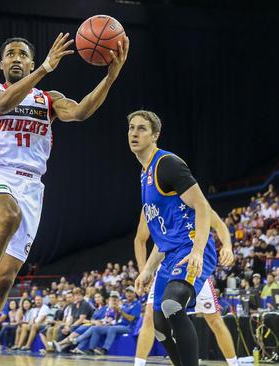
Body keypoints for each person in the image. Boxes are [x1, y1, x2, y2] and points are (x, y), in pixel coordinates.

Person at [0, 31, 129, 366]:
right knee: (8, 216)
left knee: (6, 279)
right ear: (2, 64)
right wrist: (46, 66)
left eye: (22, 55)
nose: (16, 58)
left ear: (29, 62)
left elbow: (80, 113)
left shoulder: (48, 99)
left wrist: (110, 77)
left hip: (32, 186)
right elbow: (1, 106)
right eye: (11, 54)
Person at [132, 110, 218, 366]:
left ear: (155, 135)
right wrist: (147, 269)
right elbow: (163, 234)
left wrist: (198, 251)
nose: (134, 133)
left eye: (141, 129)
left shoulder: (168, 164)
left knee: (172, 305)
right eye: (131, 128)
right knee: (159, 326)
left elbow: (202, 207)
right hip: (170, 254)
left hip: (191, 248)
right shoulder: (144, 174)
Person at [134, 179, 240, 366]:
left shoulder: (191, 199)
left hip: (193, 262)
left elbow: (218, 223)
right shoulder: (151, 208)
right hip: (168, 264)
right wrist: (145, 270)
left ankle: (235, 363)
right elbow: (144, 241)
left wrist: (228, 246)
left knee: (214, 320)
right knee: (153, 318)